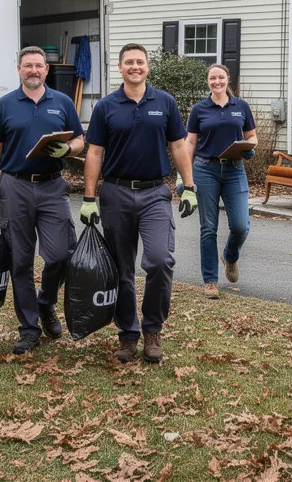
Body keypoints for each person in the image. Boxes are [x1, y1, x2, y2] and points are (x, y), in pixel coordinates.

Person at [81, 44, 196, 364]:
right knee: (121, 269)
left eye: (140, 62)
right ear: (120, 67)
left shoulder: (165, 102)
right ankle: (128, 334)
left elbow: (178, 145)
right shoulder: (106, 106)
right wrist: (89, 197)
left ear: (147, 67)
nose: (135, 66)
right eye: (129, 62)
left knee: (160, 260)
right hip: (116, 193)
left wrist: (189, 187)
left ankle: (153, 329)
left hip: (154, 193)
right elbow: (94, 153)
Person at [0, 46, 85, 356]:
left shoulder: (62, 102)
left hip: (53, 187)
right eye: (28, 66)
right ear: (19, 70)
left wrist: (69, 150)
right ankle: (28, 328)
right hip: (15, 188)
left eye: (39, 65)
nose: (34, 70)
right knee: (19, 261)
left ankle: (45, 302)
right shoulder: (4, 105)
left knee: (62, 253)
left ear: (46, 70)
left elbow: (78, 138)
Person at [185, 64, 257, 299]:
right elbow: (190, 144)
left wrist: (250, 149)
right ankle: (210, 281)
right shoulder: (199, 109)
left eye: (221, 78)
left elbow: (251, 136)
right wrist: (184, 177)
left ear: (228, 79)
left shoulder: (241, 106)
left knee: (240, 225)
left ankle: (230, 256)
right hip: (205, 170)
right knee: (208, 228)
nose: (217, 82)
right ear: (207, 81)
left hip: (235, 169)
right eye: (212, 78)